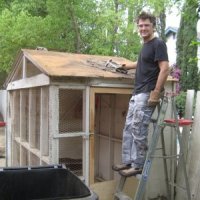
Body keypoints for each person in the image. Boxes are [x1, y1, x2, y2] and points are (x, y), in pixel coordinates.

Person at [112, 11, 169, 177]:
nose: (143, 28)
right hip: (137, 93)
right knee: (129, 128)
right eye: (141, 25)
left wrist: (156, 93)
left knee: (138, 129)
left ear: (153, 26)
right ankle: (128, 161)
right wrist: (126, 65)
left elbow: (164, 68)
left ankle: (138, 165)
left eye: (146, 25)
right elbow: (142, 62)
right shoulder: (146, 46)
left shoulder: (158, 44)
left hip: (146, 94)